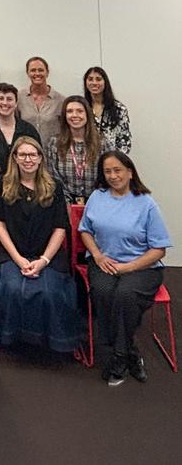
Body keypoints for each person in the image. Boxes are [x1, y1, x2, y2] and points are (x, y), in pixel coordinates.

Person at [79, 151, 172, 386]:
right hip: (104, 262)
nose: (113, 175)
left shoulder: (146, 203)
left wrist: (129, 267)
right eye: (107, 171)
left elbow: (159, 249)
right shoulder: (97, 197)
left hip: (142, 266)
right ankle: (130, 351)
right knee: (102, 292)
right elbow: (85, 231)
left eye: (118, 170)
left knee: (125, 294)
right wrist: (98, 256)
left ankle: (119, 357)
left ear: (130, 172)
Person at [0, 136, 77, 353]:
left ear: (40, 158)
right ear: (15, 158)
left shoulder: (54, 186)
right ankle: (14, 340)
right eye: (23, 155)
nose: (28, 159)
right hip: (13, 253)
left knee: (51, 293)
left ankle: (50, 342)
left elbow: (60, 227)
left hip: (47, 254)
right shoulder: (3, 183)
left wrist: (44, 260)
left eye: (33, 154)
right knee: (12, 290)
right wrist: (18, 259)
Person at [47, 96, 104, 204]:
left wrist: (95, 202)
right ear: (64, 116)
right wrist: (67, 203)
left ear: (87, 114)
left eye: (79, 111)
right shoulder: (54, 143)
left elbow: (106, 177)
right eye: (69, 111)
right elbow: (52, 177)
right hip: (63, 204)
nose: (74, 115)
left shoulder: (102, 144)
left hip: (97, 203)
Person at [17, 56, 65, 149]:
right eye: (33, 70)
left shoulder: (60, 100)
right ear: (28, 73)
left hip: (52, 153)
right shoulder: (19, 97)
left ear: (47, 73)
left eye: (41, 70)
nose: (37, 73)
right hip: (26, 153)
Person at [84, 66, 132, 153]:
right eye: (90, 79)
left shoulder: (119, 109)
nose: (94, 83)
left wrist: (115, 161)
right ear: (86, 82)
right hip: (86, 160)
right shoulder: (82, 108)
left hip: (111, 160)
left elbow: (124, 140)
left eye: (98, 79)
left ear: (105, 82)